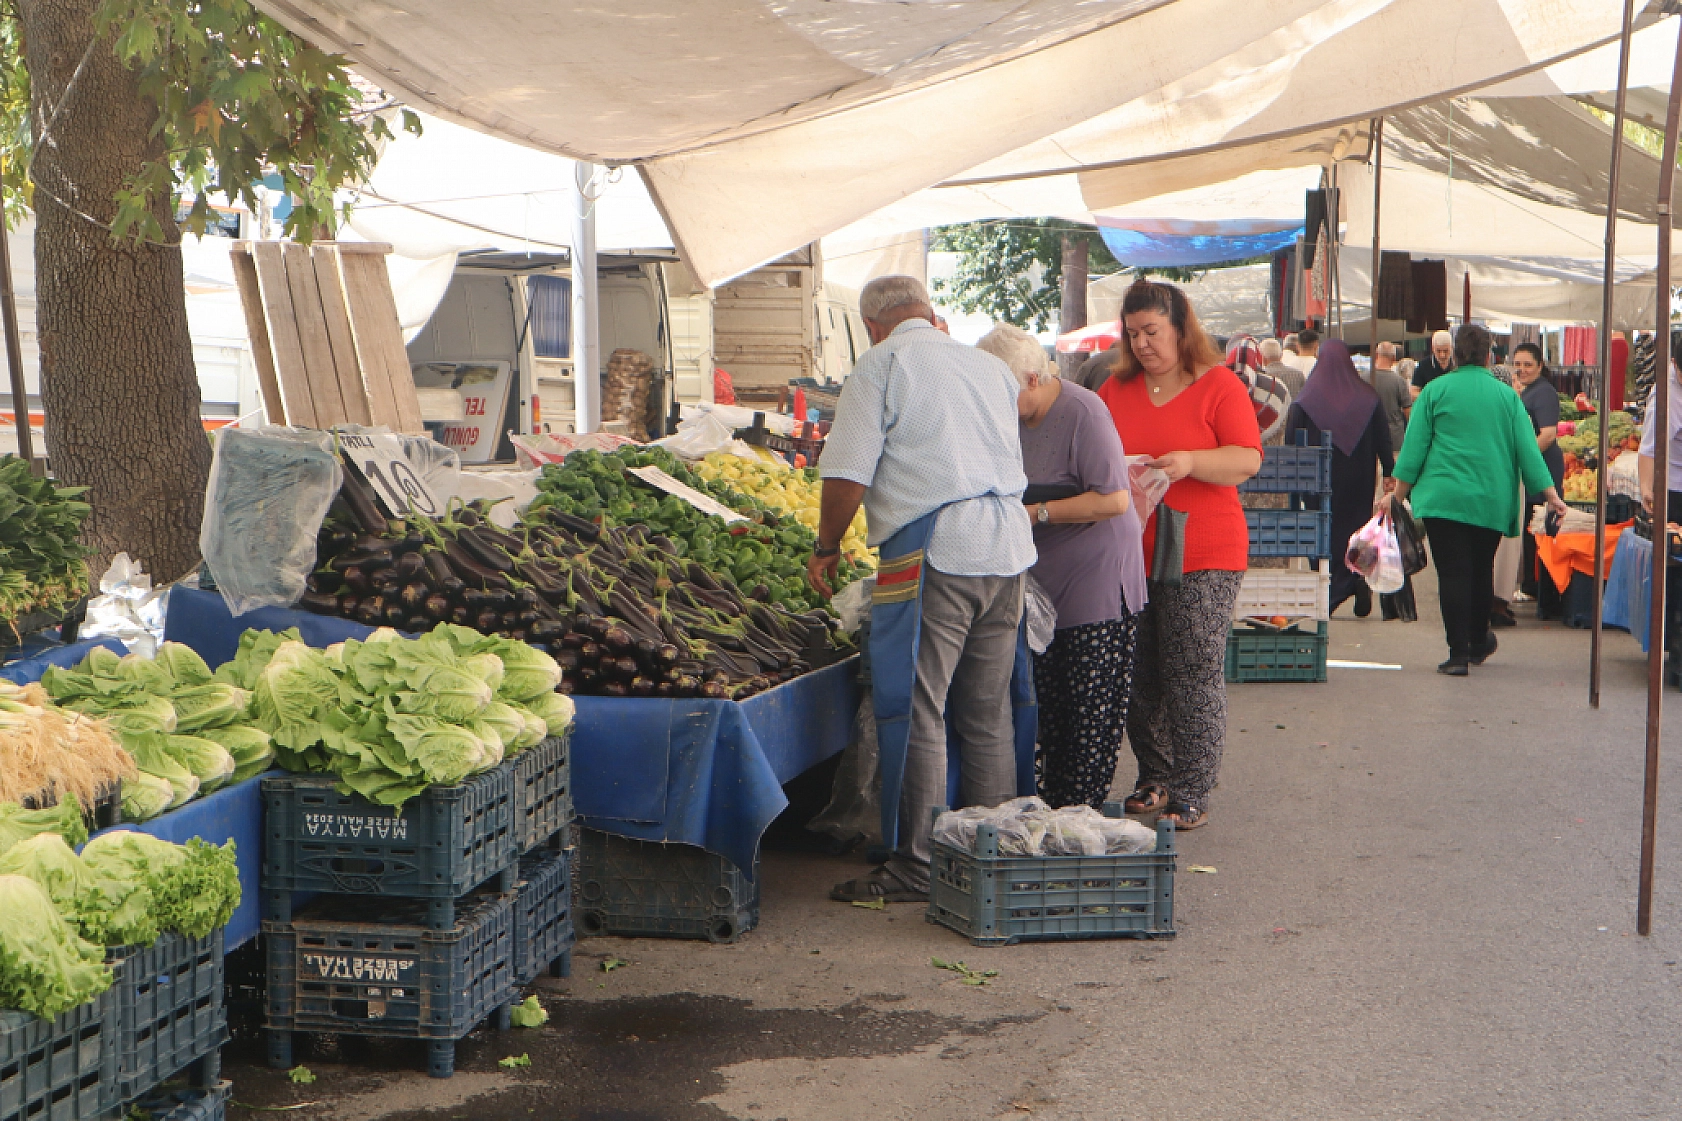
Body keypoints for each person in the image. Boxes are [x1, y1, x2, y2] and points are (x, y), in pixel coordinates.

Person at [812, 276, 1036, 903]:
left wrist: (827, 546)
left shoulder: (881, 364)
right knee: (987, 712)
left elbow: (847, 470)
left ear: (873, 326)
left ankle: (916, 864)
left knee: (919, 706)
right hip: (1008, 551)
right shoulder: (988, 367)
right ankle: (999, 852)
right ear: (930, 313)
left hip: (938, 549)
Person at [1097, 278, 1262, 830]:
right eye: (1133, 333)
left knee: (1191, 667)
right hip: (1131, 551)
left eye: (1152, 331)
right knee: (1140, 672)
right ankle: (1155, 776)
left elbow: (1246, 459)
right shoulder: (1115, 391)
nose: (1142, 343)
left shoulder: (1219, 386)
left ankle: (1193, 786)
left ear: (1179, 328)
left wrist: (1191, 461)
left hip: (1205, 548)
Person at [977, 324, 1147, 809]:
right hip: (1038, 584)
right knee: (1045, 713)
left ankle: (1079, 818)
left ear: (1032, 379)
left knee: (1086, 718)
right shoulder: (1009, 421)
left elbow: (1115, 499)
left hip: (1095, 582)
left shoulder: (1083, 411)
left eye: (1002, 392)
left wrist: (1036, 514)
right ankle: (1049, 816)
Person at [1383, 324, 1568, 675]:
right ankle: (1478, 638)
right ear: (1488, 356)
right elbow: (1528, 451)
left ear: (1455, 353)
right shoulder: (1507, 396)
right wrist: (1550, 494)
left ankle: (1458, 654)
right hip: (1490, 498)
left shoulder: (1435, 392)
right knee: (1481, 569)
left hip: (1442, 500)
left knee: (1452, 574)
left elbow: (1413, 449)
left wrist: (1396, 496)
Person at [1287, 339, 1393, 617]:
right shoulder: (1368, 397)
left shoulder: (1306, 400)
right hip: (1358, 480)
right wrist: (1391, 474)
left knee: (1322, 532)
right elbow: (1384, 438)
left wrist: (1292, 482)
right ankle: (1356, 579)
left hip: (1317, 482)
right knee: (1357, 532)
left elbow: (1290, 443)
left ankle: (1332, 588)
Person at [1512, 343, 1564, 601]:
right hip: (1532, 471)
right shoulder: (1527, 391)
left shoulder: (1543, 393)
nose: (1521, 369)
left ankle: (1538, 588)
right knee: (1530, 530)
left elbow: (1548, 434)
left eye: (1527, 364)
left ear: (1540, 366)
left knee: (1538, 529)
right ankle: (1532, 586)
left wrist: (1523, 459)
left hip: (1542, 470)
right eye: (1518, 364)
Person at [1639, 333, 1682, 523]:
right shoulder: (1666, 396)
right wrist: (1646, 488)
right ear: (1673, 363)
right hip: (1676, 489)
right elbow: (1650, 447)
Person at [1368, 342, 1411, 456]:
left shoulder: (1363, 378)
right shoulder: (1399, 382)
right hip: (1394, 440)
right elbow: (1408, 413)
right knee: (1392, 473)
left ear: (1376, 355)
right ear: (1393, 358)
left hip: (1369, 437)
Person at [1410, 329, 1455, 400]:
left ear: (1451, 348)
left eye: (1446, 351)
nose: (1442, 355)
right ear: (1433, 348)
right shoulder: (1423, 365)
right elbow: (1413, 392)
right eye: (1438, 351)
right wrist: (1430, 399)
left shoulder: (1458, 364)